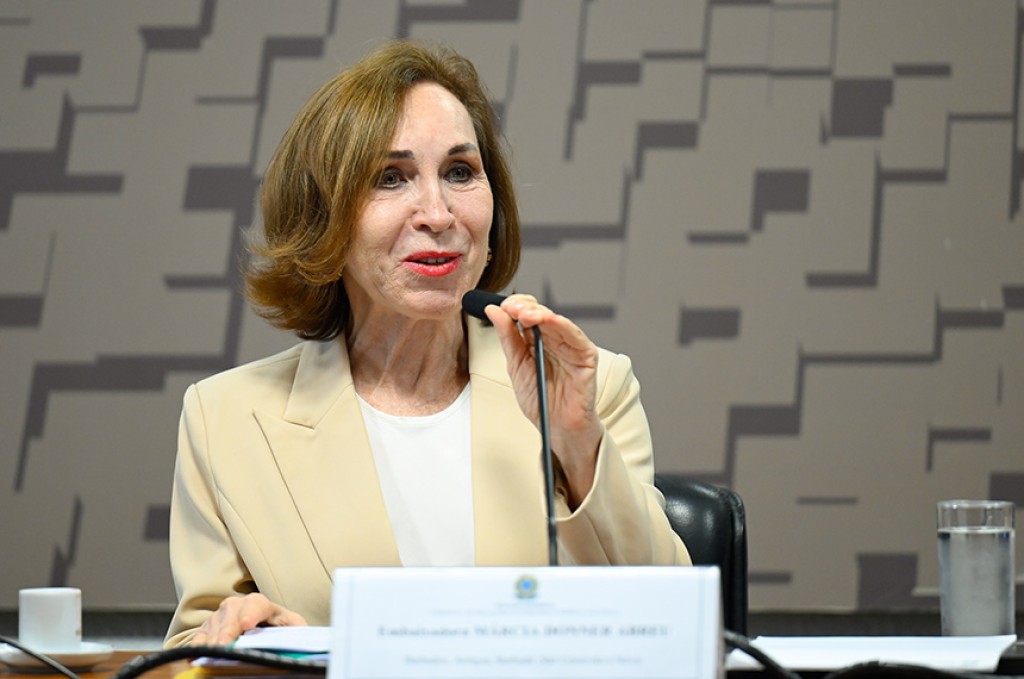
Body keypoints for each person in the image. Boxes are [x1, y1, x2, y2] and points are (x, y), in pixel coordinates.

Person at [165, 39, 690, 648]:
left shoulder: (588, 386)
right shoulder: (226, 419)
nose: (438, 214)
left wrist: (577, 442)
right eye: (391, 178)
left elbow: (674, 626)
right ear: (322, 220)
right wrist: (251, 645)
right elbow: (191, 649)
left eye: (460, 172)